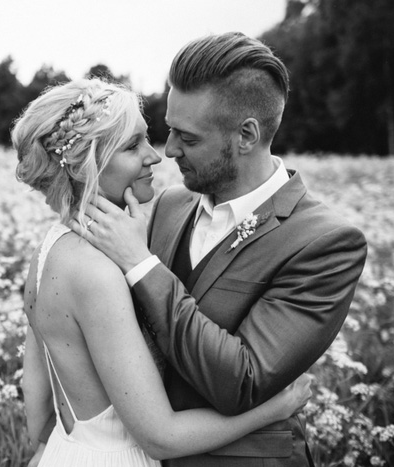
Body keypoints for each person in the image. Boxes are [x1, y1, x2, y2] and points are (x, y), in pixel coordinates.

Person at [70, 33, 368, 466]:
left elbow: (242, 381)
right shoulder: (170, 205)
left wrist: (140, 263)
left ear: (246, 135)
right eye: (169, 130)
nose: (168, 151)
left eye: (187, 138)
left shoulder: (325, 243)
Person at [11, 78, 313, 467]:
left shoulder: (48, 252)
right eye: (133, 145)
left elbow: (35, 400)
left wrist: (53, 452)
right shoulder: (96, 272)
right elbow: (161, 438)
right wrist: (273, 409)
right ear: (88, 164)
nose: (155, 157)